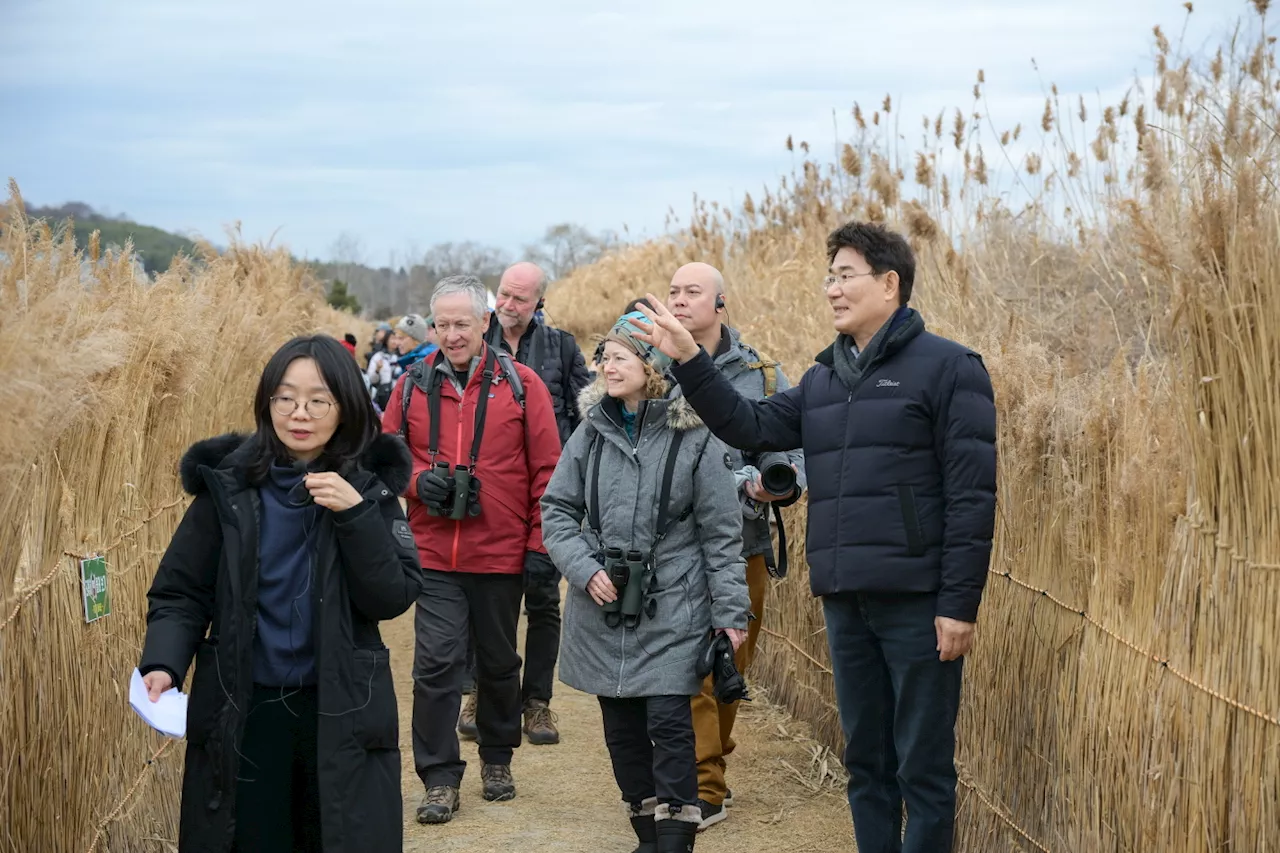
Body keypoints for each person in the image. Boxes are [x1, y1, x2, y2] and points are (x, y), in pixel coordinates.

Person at [630, 222, 998, 853]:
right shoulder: (824, 379)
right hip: (844, 596)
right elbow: (747, 423)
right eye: (829, 277)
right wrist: (690, 359)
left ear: (890, 284)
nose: (832, 289)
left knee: (924, 768)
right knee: (866, 763)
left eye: (845, 275)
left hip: (918, 600)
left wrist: (957, 605)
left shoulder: (950, 367)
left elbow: (972, 498)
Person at [138, 335, 423, 853]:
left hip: (340, 708)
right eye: (285, 397)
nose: (300, 413)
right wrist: (163, 662)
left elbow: (393, 596)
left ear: (345, 408)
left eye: (319, 400)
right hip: (243, 708)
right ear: (266, 402)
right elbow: (181, 591)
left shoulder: (367, 489)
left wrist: (355, 515)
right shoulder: (227, 486)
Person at [541, 312, 750, 853]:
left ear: (652, 365)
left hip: (674, 604)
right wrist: (586, 570)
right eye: (604, 356)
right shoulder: (591, 432)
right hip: (603, 606)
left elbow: (722, 534)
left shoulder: (696, 435)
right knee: (622, 730)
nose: (606, 365)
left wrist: (729, 613)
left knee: (669, 723)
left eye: (620, 355)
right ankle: (646, 837)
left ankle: (675, 841)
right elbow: (557, 511)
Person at [381, 275, 562, 825]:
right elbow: (384, 457)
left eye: (463, 323)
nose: (453, 334)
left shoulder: (523, 384)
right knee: (434, 664)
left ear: (485, 323)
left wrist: (539, 547)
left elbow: (548, 472)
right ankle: (438, 778)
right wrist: (416, 483)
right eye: (443, 324)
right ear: (432, 326)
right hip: (434, 552)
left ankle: (497, 758)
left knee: (500, 662)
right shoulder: (411, 384)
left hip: (501, 550)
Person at [664, 262, 806, 831]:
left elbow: (796, 449)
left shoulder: (763, 375)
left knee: (729, 663)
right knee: (687, 668)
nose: (678, 300)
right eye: (672, 291)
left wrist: (777, 481)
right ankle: (704, 786)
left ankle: (711, 757)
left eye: (691, 292)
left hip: (744, 541)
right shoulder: (650, 367)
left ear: (721, 305)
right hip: (670, 547)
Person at [454, 261, 591, 747]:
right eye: (505, 297)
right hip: (486, 493)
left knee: (543, 599)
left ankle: (537, 703)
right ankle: (477, 693)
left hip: (550, 493)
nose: (510, 307)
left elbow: (588, 411)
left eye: (521, 300)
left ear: (540, 304)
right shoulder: (474, 340)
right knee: (483, 597)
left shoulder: (563, 348)